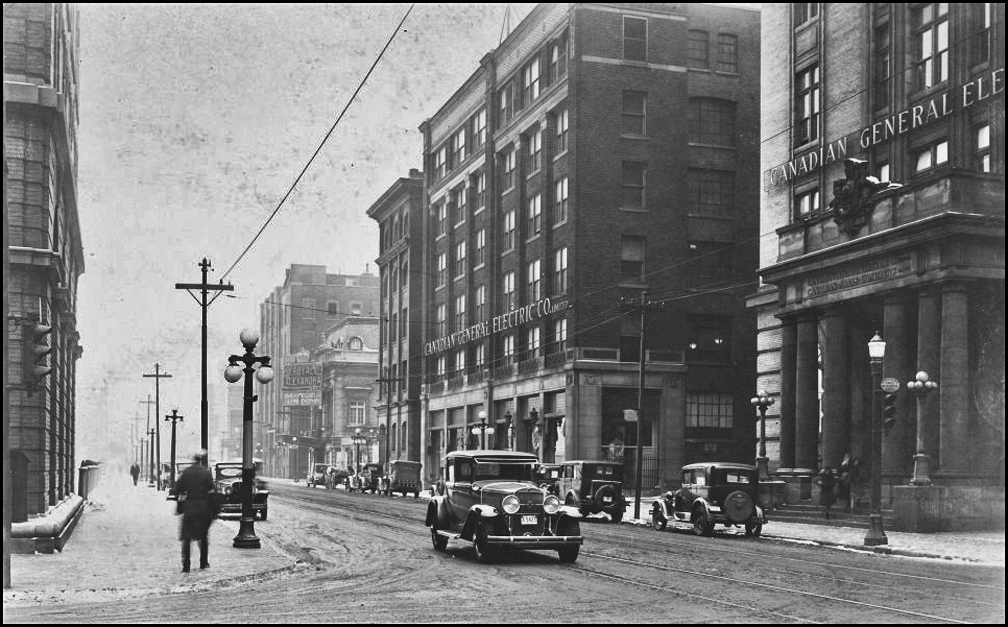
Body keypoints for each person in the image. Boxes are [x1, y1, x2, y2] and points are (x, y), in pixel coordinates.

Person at [174, 450, 216, 573]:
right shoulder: (206, 473)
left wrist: (179, 504)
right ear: (201, 461)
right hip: (203, 507)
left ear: (193, 460)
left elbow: (178, 489)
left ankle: (186, 564)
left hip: (190, 506)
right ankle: (203, 562)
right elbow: (211, 489)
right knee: (203, 536)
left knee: (186, 537)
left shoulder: (186, 472)